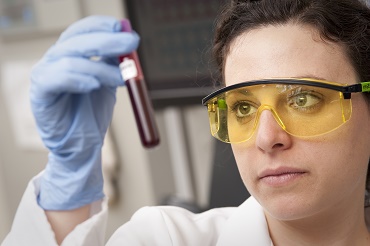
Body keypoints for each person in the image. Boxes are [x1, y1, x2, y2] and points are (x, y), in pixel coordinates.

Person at [3, 0, 370, 245]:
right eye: (242, 108)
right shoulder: (163, 239)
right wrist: (68, 177)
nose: (266, 138)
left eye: (303, 99)